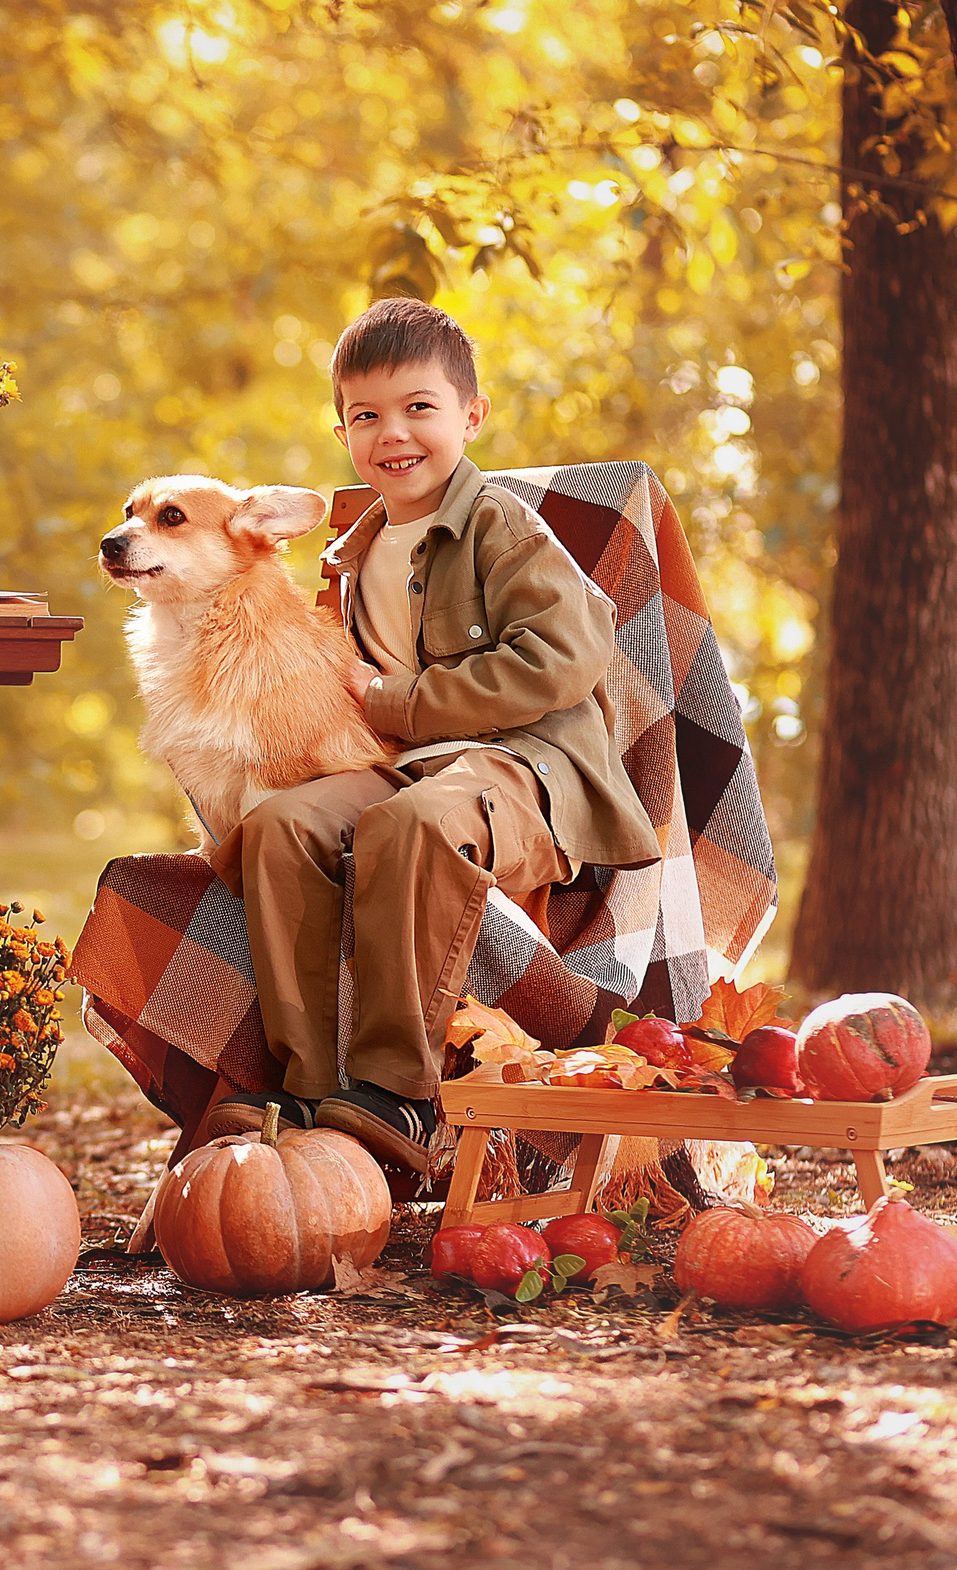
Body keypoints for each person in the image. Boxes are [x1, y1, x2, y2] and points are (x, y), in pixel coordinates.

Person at [209, 298, 658, 1176]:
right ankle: (306, 1084)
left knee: (409, 827)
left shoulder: (502, 525)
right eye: (367, 416)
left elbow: (563, 660)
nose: (394, 434)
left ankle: (399, 1096)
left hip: (525, 768)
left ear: (470, 415)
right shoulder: (349, 551)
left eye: (420, 408)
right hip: (409, 765)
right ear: (342, 432)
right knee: (277, 827)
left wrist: (397, 700)